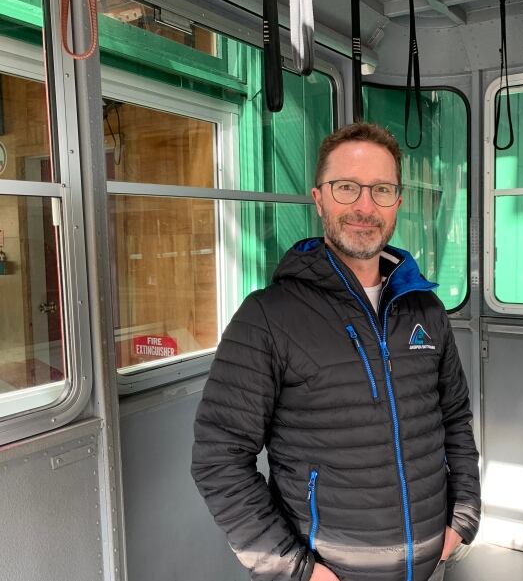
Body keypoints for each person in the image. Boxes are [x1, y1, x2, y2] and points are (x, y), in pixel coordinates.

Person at [191, 122, 481, 581]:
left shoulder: (424, 307)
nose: (365, 206)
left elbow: (455, 420)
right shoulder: (268, 316)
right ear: (319, 196)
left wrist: (462, 516)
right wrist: (294, 570)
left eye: (381, 190)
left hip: (430, 567)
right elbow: (219, 458)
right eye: (347, 187)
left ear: (397, 203)